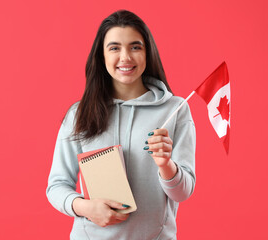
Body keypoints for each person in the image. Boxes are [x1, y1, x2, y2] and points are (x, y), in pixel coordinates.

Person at [46, 9, 196, 240]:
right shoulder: (79, 114)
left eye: (135, 47)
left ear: (148, 53)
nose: (125, 57)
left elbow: (182, 193)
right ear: (102, 56)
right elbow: (56, 186)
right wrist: (85, 208)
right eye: (114, 48)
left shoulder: (175, 109)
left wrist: (166, 165)